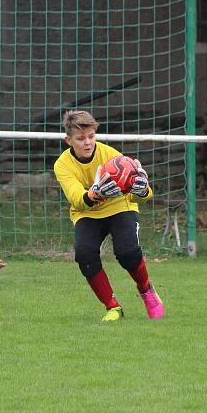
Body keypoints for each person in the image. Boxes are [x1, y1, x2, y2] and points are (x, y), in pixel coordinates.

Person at [53, 110, 163, 322]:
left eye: (91, 136)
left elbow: (140, 193)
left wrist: (143, 190)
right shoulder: (62, 165)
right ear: (68, 140)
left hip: (119, 207)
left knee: (127, 253)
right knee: (84, 255)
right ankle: (113, 307)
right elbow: (77, 198)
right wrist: (96, 193)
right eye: (81, 138)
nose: (87, 143)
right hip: (87, 213)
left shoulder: (112, 155)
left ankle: (146, 289)